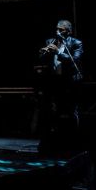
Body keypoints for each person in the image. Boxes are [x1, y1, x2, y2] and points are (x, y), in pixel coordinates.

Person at [36, 19, 84, 155]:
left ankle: (75, 142)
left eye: (61, 30)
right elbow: (42, 59)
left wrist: (58, 52)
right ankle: (50, 143)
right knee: (50, 112)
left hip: (69, 82)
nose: (58, 32)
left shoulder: (76, 43)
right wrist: (43, 53)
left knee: (71, 111)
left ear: (68, 31)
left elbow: (74, 60)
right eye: (57, 29)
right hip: (54, 82)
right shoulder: (50, 41)